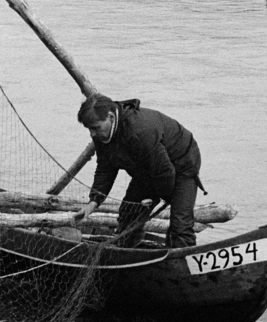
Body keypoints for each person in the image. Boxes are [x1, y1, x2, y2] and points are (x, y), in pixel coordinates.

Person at [72, 93, 203, 248]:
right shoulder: (101, 134)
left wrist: (158, 196)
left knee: (180, 225)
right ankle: (126, 254)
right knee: (129, 214)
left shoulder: (140, 132)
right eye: (89, 129)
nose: (92, 133)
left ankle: (181, 265)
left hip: (182, 163)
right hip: (147, 168)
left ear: (110, 117)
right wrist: (93, 202)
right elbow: (105, 168)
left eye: (95, 128)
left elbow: (164, 171)